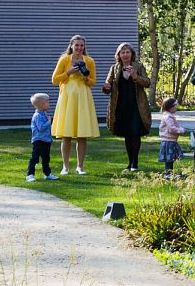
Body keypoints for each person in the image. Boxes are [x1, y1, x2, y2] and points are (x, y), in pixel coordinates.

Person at [50, 35, 98, 176]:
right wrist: (69, 72)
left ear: (84, 47)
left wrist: (84, 76)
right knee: (67, 134)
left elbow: (93, 82)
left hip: (83, 97)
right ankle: (65, 167)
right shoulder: (64, 59)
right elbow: (54, 79)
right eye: (76, 45)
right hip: (67, 98)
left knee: (82, 135)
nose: (79, 48)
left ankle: (80, 166)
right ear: (71, 45)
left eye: (81, 45)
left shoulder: (89, 61)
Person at [102, 43, 152, 172]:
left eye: (127, 52)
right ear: (118, 55)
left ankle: (135, 163)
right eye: (122, 52)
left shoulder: (138, 66)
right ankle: (130, 163)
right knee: (127, 134)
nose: (125, 55)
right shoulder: (114, 68)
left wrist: (135, 77)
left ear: (132, 54)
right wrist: (106, 86)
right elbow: (107, 86)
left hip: (136, 105)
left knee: (135, 133)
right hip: (121, 105)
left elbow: (147, 82)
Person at [27, 92, 55, 181]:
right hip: (38, 140)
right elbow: (41, 128)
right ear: (41, 105)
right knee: (35, 158)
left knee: (46, 158)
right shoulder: (37, 115)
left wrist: (50, 139)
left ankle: (47, 174)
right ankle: (30, 174)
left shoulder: (44, 114)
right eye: (47, 102)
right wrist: (49, 122)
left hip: (46, 140)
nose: (49, 104)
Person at [157, 97, 185, 174]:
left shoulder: (168, 115)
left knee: (170, 159)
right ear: (171, 107)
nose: (177, 107)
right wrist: (181, 130)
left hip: (170, 140)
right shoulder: (168, 117)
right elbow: (171, 129)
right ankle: (168, 174)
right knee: (169, 159)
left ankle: (169, 173)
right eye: (176, 106)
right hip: (168, 141)